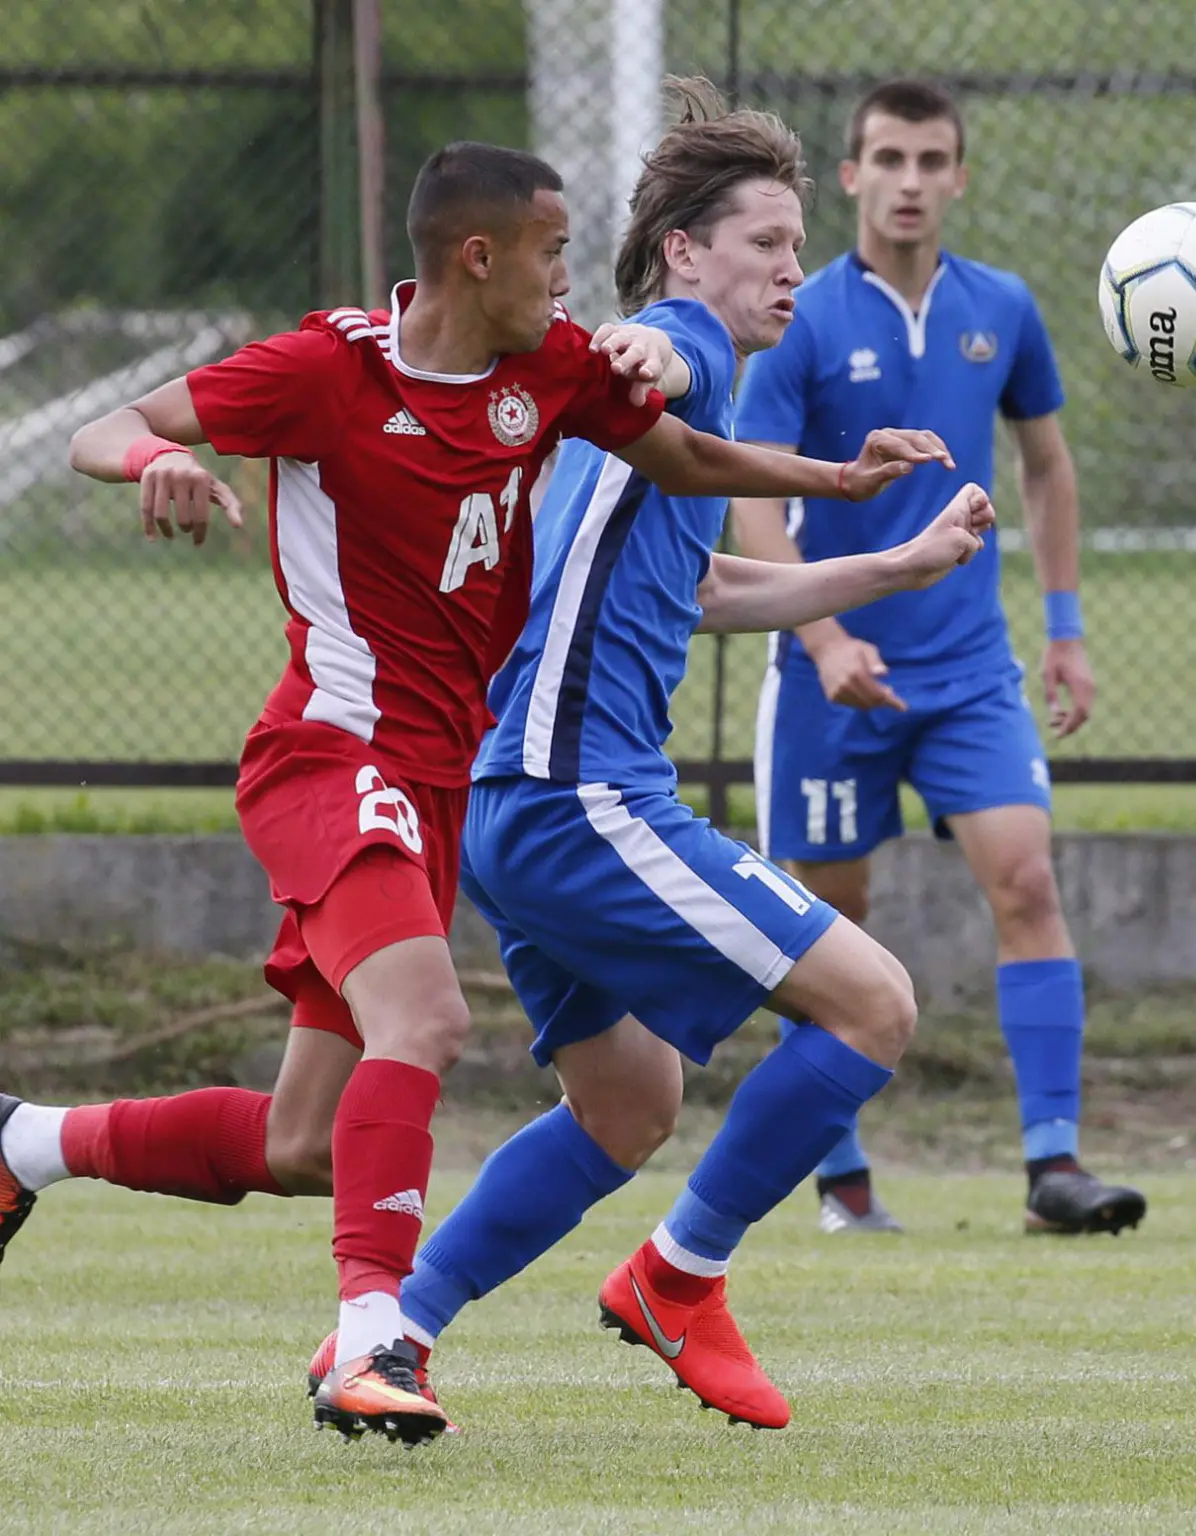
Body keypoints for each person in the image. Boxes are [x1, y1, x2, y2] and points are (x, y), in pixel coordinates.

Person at [0, 135, 938, 1446]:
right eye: (554, 255)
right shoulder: (333, 368)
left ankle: (26, 1145)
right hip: (352, 755)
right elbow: (114, 426)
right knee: (441, 1018)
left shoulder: (540, 377)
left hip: (454, 785)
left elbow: (681, 469)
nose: (572, 284)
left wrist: (841, 489)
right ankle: (394, 1338)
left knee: (311, 1143)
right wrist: (153, 461)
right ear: (480, 256)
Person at [301, 79, 994, 1434]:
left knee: (627, 1103)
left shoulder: (638, 441)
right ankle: (679, 1279)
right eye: (766, 242)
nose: (792, 269)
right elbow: (655, 354)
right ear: (684, 251)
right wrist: (642, 351)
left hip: (514, 803)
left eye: (799, 247)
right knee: (874, 1006)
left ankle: (387, 1339)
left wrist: (899, 563)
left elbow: (706, 588)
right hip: (579, 797)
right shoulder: (686, 349)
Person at [730, 78, 1147, 1238]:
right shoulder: (805, 317)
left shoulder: (1001, 307)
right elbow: (749, 492)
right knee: (828, 926)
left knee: (1027, 882)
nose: (909, 182)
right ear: (852, 176)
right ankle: (843, 1179)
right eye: (888, 159)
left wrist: (1065, 630)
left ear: (959, 177)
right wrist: (822, 637)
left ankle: (1054, 1166)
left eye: (930, 161)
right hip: (832, 678)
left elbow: (1047, 465)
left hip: (969, 670)